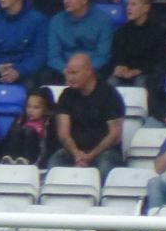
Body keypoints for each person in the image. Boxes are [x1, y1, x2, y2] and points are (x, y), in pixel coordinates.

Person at [47, 53, 125, 182]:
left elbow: (115, 135)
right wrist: (76, 153)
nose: (69, 77)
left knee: (105, 165)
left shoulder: (109, 94)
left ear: (88, 72)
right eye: (67, 73)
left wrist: (91, 155)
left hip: (104, 152)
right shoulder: (66, 95)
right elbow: (63, 134)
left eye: (74, 73)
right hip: (73, 152)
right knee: (56, 161)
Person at [46, 0, 113, 80]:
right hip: (64, 71)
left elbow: (103, 55)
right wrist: (67, 71)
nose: (66, 1)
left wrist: (85, 71)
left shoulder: (103, 21)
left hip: (93, 71)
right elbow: (53, 56)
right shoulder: (56, 21)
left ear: (85, 0)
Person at [111, 0, 166, 88]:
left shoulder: (159, 31)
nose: (128, 8)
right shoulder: (122, 31)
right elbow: (117, 55)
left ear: (146, 7)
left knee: (140, 82)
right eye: (128, 4)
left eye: (133, 4)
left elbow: (159, 60)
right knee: (110, 83)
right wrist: (120, 66)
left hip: (147, 74)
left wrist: (138, 71)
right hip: (125, 74)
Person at [1, 87, 56, 167]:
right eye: (28, 106)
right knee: (16, 130)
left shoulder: (49, 123)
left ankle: (26, 160)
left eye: (36, 107)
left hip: (36, 154)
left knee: (29, 131)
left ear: (46, 109)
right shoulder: (20, 120)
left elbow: (49, 145)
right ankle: (12, 159)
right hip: (18, 152)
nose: (30, 110)